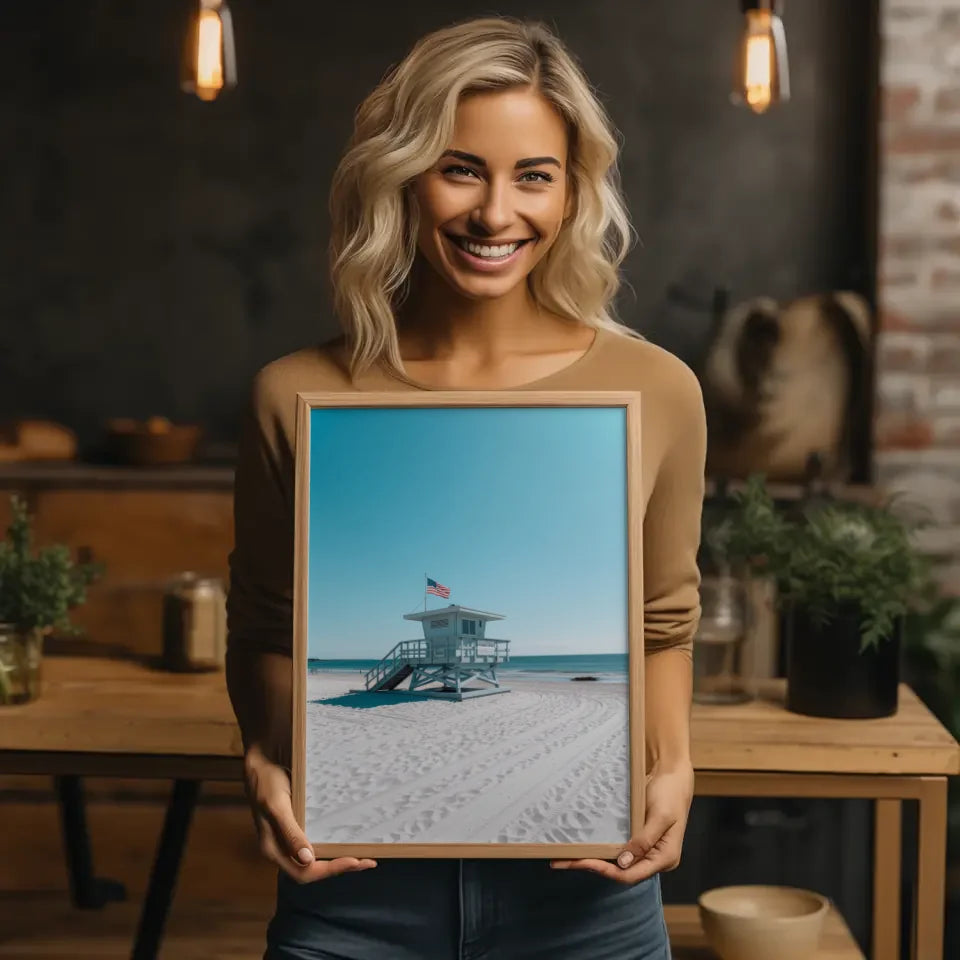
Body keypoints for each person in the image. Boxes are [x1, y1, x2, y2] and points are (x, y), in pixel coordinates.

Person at [226, 15, 706, 960]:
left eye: (534, 175)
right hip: (350, 900)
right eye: (460, 169)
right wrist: (261, 754)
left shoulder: (659, 390)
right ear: (401, 178)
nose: (496, 215)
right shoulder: (296, 394)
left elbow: (662, 625)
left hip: (587, 906)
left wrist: (675, 767)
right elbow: (264, 627)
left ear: (573, 194)